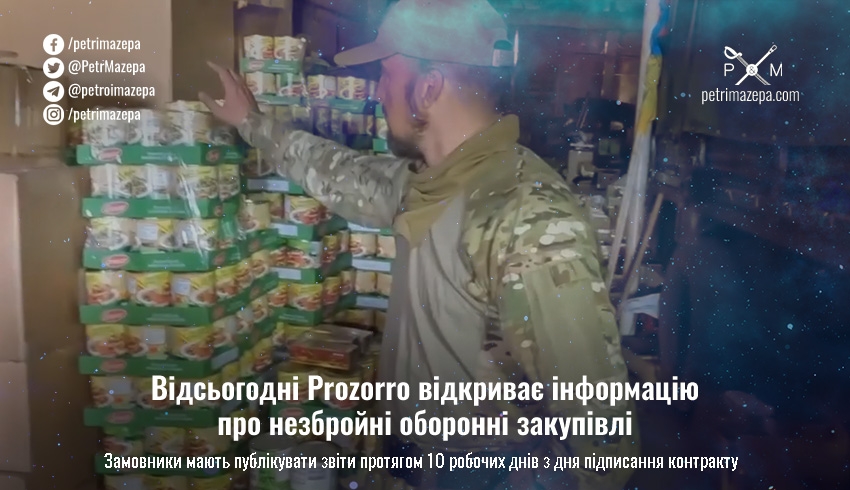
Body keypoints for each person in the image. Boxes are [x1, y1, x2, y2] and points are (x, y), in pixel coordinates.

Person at [201, 1, 638, 488]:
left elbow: (601, 428)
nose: (378, 92)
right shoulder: (429, 183)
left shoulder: (527, 217)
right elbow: (341, 173)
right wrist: (251, 122)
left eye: (387, 75)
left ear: (428, 88)